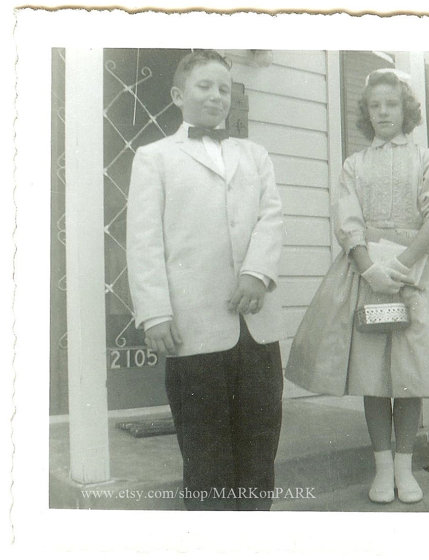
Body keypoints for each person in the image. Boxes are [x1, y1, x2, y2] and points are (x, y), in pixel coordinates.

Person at [285, 68, 429, 504]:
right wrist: (369, 268)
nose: (382, 113)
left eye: (390, 104)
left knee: (410, 375)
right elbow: (348, 220)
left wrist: (401, 262)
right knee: (374, 374)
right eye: (374, 106)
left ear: (406, 109)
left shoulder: (426, 159)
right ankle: (381, 468)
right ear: (366, 113)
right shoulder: (354, 165)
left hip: (417, 272)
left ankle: (404, 467)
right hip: (366, 275)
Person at [126, 50, 284, 511]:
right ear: (179, 95)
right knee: (205, 444)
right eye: (204, 87)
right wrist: (154, 312)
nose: (217, 96)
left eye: (224, 88)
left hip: (255, 324)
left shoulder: (254, 155)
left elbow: (271, 218)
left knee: (260, 437)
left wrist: (257, 273)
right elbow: (144, 240)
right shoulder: (154, 158)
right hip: (193, 328)